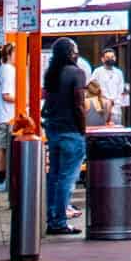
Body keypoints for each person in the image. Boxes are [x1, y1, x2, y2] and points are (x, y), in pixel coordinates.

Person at [40, 37, 88, 236]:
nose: (77, 53)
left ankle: (52, 217)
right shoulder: (77, 73)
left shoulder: (50, 74)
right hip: (71, 131)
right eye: (75, 50)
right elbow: (79, 104)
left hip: (54, 129)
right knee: (68, 178)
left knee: (54, 176)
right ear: (70, 53)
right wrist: (83, 129)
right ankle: (60, 220)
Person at [0, 42, 17, 187]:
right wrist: (23, 101)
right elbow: (6, 95)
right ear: (9, 54)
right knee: (3, 147)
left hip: (3, 115)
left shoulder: (2, 69)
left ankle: (1, 178)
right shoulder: (8, 70)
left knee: (2, 147)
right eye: (16, 53)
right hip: (8, 116)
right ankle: (2, 180)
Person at [88, 47, 129, 126]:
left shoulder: (119, 73)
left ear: (115, 58)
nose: (110, 59)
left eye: (112, 57)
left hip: (116, 108)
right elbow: (92, 88)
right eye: (107, 57)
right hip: (102, 107)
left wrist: (115, 101)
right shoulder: (97, 72)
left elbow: (121, 90)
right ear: (102, 59)